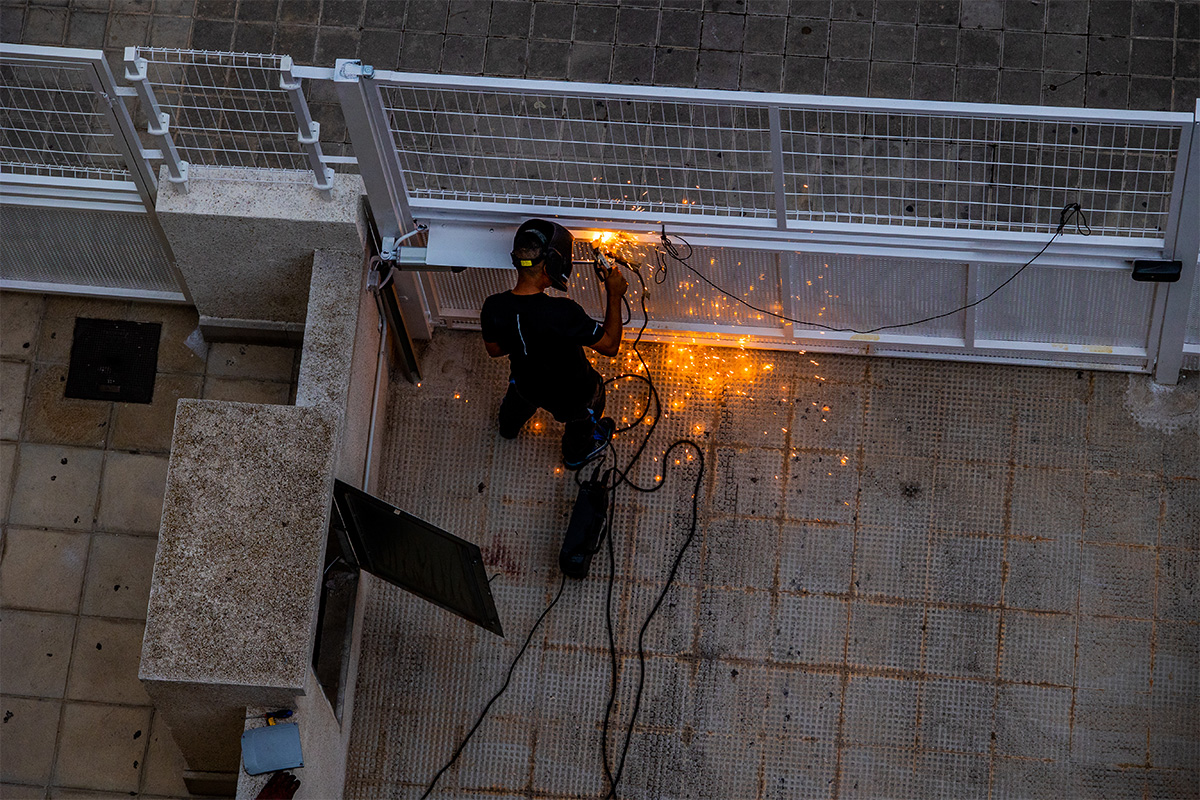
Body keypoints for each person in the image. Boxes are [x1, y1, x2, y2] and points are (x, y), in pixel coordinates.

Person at [481, 219, 628, 470]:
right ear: (553, 265)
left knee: (517, 399)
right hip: (574, 396)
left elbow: (494, 350)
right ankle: (575, 457)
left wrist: (525, 338)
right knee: (590, 406)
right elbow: (611, 346)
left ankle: (507, 428)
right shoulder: (564, 312)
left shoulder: (493, 306)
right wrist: (614, 294)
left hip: (526, 384)